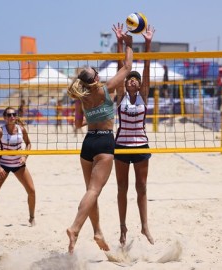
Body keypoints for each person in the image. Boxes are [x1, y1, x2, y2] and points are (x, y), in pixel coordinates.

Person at [65, 31, 134, 254]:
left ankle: (97, 231)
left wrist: (92, 118)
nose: (97, 72)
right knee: (93, 191)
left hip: (88, 144)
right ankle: (75, 228)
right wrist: (127, 42)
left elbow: (77, 124)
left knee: (90, 191)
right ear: (95, 78)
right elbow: (126, 67)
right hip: (104, 143)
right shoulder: (104, 89)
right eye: (96, 71)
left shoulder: (81, 97)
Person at [112, 23, 155, 246]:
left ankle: (145, 226)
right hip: (120, 146)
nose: (133, 79)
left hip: (140, 146)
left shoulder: (143, 95)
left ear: (139, 85)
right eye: (131, 78)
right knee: (122, 189)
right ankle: (122, 228)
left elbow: (145, 69)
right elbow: (122, 68)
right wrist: (121, 41)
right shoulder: (121, 95)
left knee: (142, 187)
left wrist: (147, 43)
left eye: (136, 79)